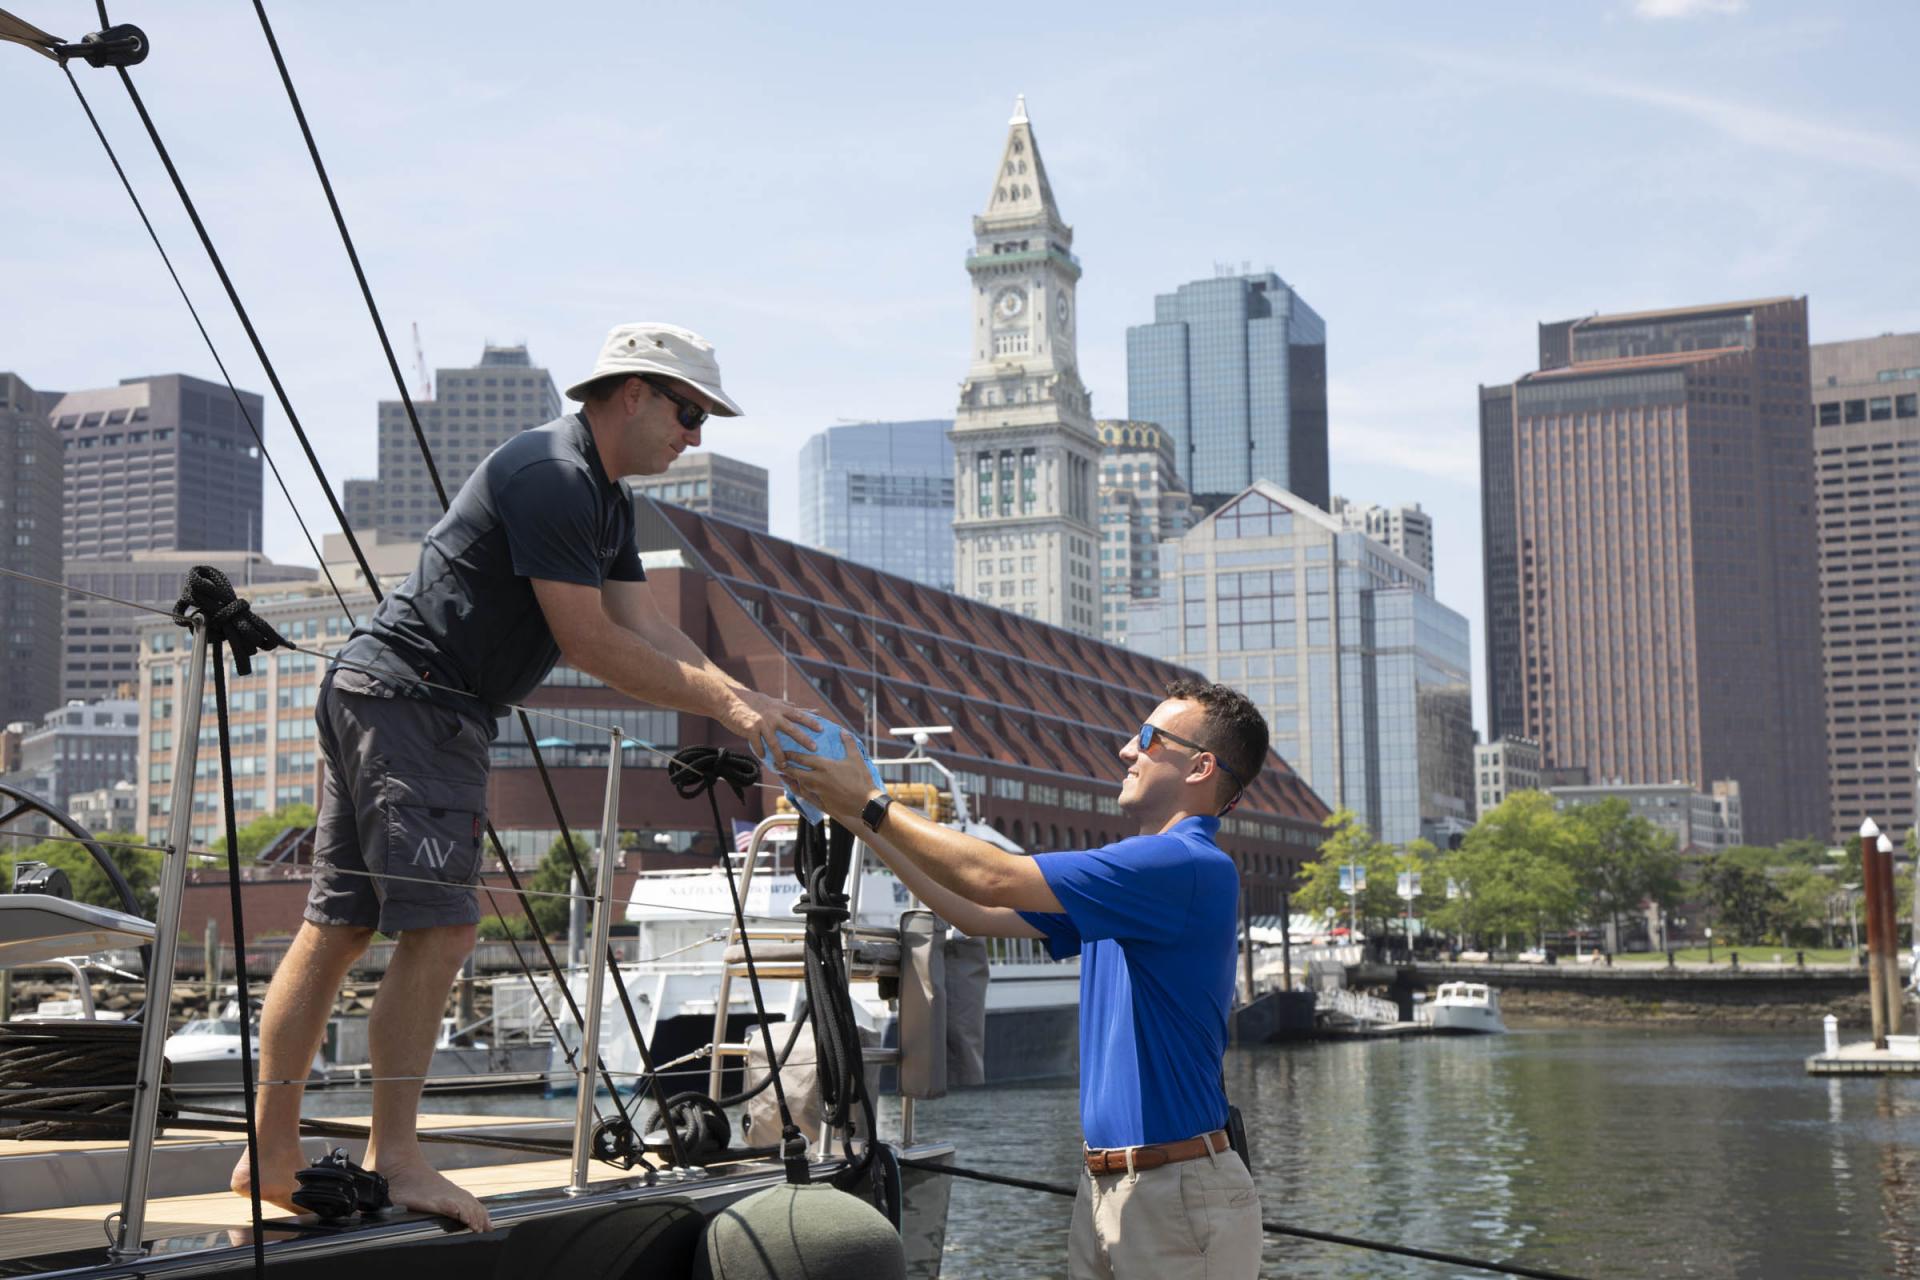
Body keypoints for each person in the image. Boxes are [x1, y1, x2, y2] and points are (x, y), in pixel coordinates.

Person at [237, 323, 819, 1231]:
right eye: (690, 411)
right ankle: (396, 1161)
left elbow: (653, 631)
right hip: (419, 703)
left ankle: (269, 1152)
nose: (697, 435)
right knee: (443, 929)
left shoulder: (604, 498)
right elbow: (595, 644)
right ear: (631, 392)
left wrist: (750, 701)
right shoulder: (552, 473)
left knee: (341, 925)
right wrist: (738, 713)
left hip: (384, 691)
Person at [785, 678, 1267, 1278]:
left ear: (1200, 767)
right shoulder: (1142, 880)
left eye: (1147, 738)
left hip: (1172, 1194)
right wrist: (858, 816)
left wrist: (875, 804)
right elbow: (976, 912)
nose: (1126, 750)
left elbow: (993, 878)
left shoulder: (1182, 864)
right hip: (1119, 1189)